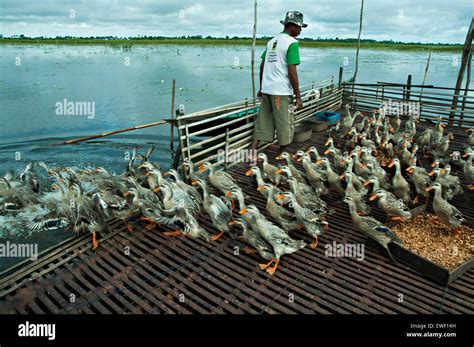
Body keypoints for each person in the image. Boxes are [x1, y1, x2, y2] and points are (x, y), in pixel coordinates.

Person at [249, 10, 307, 162]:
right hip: (281, 92)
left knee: (263, 120)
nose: (300, 31)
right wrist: (298, 96)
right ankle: (281, 154)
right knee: (285, 123)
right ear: (292, 26)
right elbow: (292, 70)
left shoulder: (272, 41)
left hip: (268, 90)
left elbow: (262, 66)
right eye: (300, 27)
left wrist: (262, 88)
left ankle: (252, 151)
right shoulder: (292, 43)